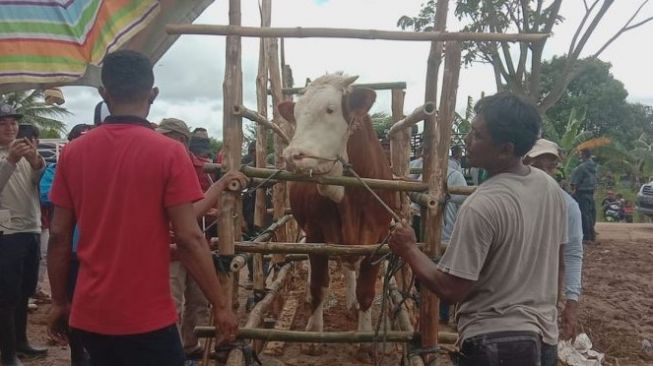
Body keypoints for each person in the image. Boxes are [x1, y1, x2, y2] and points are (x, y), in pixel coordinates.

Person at [46, 50, 238, 366]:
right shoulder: (170, 153)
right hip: (147, 317)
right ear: (153, 94)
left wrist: (59, 301)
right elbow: (189, 238)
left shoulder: (73, 153)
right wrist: (220, 305)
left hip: (90, 312)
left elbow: (58, 235)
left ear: (103, 93)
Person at [388, 92, 566, 366]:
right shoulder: (549, 187)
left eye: (478, 135)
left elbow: (451, 289)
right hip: (545, 340)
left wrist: (409, 249)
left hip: (495, 345)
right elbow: (560, 260)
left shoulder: (482, 204)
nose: (468, 141)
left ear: (505, 149)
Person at [156, 118, 246, 359]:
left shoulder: (198, 165)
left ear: (181, 140)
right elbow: (193, 211)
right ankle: (173, 354)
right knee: (173, 305)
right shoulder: (160, 162)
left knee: (197, 303)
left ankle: (189, 347)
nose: (159, 140)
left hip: (195, 244)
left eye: (165, 136)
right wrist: (220, 186)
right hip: (175, 247)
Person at [40, 124, 93, 366]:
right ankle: (78, 356)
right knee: (72, 308)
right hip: (71, 253)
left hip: (94, 253)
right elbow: (47, 195)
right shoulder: (56, 169)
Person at [0, 106, 47, 366]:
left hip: (31, 228)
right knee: (6, 296)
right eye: (3, 123)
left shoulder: (23, 152)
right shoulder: (9, 156)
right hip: (6, 233)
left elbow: (39, 183)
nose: (10, 127)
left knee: (24, 291)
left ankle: (21, 342)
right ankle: (8, 355)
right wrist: (11, 161)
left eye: (13, 122)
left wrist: (36, 162)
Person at [524, 138, 584, 342]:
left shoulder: (568, 206)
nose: (543, 171)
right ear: (524, 163)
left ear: (555, 168)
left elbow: (572, 256)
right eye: (536, 165)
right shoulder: (508, 199)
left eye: (549, 166)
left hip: (544, 298)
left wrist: (571, 303)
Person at [571, 149, 598, 243]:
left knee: (584, 215)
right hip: (591, 192)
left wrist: (573, 192)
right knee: (590, 215)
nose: (580, 156)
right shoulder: (594, 167)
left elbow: (575, 182)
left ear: (584, 155)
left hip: (582, 192)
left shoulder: (581, 167)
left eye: (581, 154)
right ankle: (592, 235)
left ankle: (586, 237)